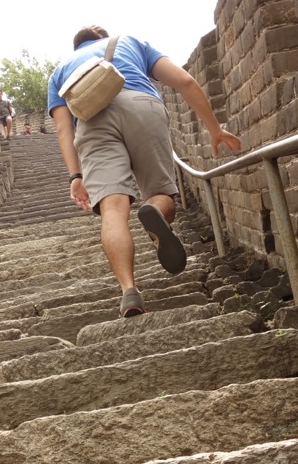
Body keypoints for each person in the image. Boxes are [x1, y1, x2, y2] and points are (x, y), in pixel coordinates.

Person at [48, 25, 242, 317]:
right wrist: (214, 129)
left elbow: (64, 129)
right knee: (162, 194)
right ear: (103, 38)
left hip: (92, 122)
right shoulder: (130, 42)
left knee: (113, 210)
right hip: (142, 105)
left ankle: (129, 292)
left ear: (77, 47)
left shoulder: (60, 72)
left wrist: (76, 176)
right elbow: (185, 81)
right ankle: (155, 211)